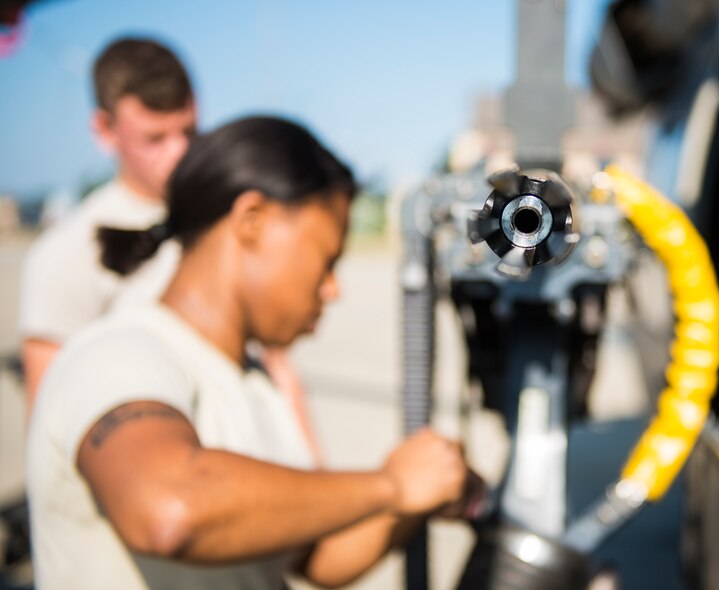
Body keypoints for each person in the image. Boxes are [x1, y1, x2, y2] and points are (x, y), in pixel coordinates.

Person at [27, 115, 483, 589]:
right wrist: (390, 484)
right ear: (252, 221)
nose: (333, 290)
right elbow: (169, 509)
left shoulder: (255, 384)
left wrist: (412, 496)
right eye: (326, 261)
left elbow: (317, 557)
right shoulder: (119, 352)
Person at [18, 38, 322, 459]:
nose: (179, 153)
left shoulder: (229, 219)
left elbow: (277, 367)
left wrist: (313, 470)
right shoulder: (66, 254)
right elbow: (49, 419)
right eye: (155, 138)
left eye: (189, 131)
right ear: (104, 130)